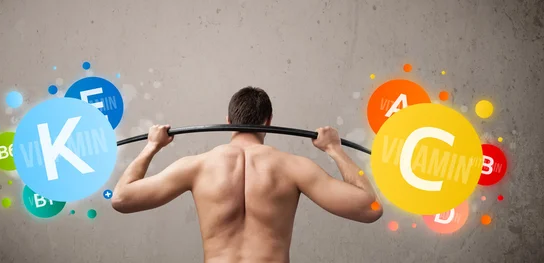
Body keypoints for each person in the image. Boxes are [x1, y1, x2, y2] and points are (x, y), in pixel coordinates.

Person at [112, 86, 383, 263]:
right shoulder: (293, 167)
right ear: (268, 121)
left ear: (229, 121)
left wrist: (152, 146)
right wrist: (334, 150)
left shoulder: (196, 166)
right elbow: (370, 208)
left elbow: (121, 198)